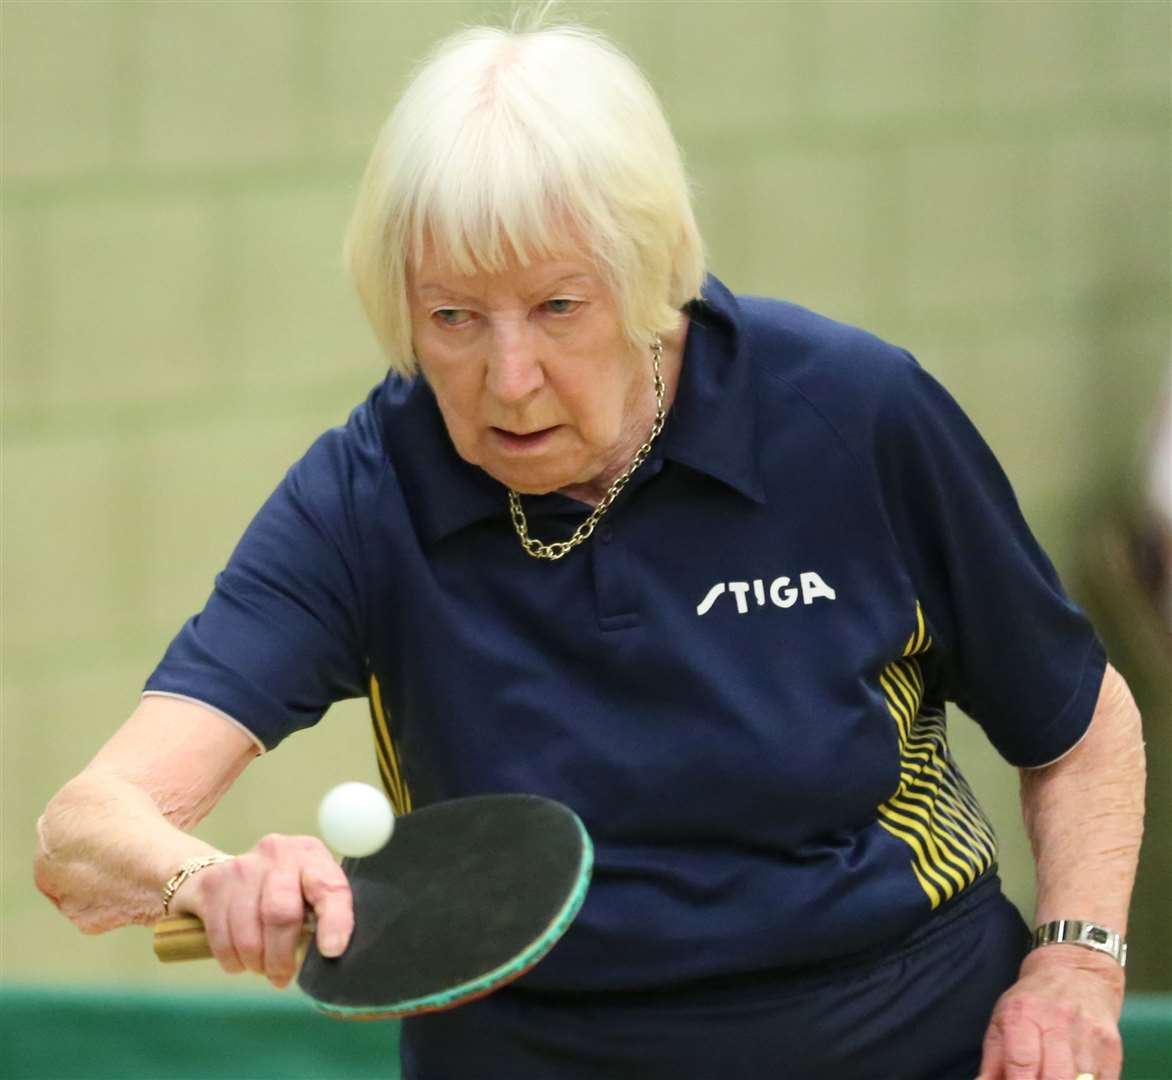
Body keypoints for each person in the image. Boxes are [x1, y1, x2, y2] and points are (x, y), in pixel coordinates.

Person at [34, 17, 1145, 1080]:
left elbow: (1078, 724)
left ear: (651, 277)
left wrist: (1076, 961)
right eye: (453, 318)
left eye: (557, 307)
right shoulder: (366, 492)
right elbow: (83, 832)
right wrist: (208, 880)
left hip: (900, 1037)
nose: (506, 380)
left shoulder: (851, 416)